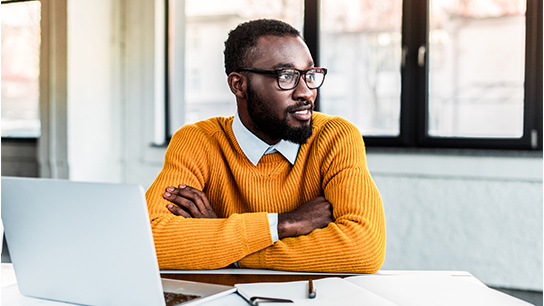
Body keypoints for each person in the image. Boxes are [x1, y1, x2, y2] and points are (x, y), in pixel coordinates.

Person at [145, 19, 386, 273]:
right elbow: (148, 239)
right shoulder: (198, 141)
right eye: (287, 76)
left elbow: (364, 248)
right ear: (239, 85)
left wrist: (227, 249)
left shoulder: (336, 137)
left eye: (309, 75)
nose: (306, 93)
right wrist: (284, 224)